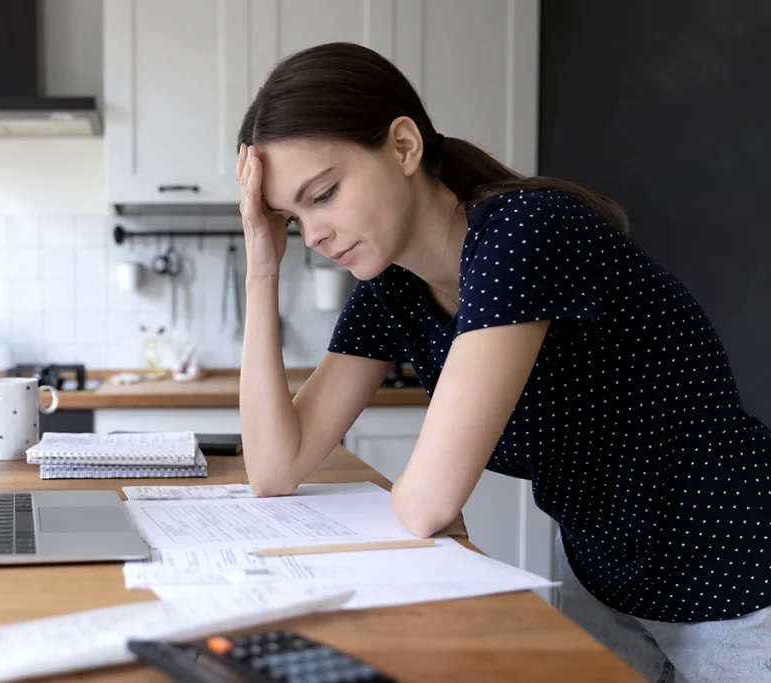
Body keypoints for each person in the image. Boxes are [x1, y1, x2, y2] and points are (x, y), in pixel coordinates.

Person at [234, 41, 771, 683]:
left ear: (404, 147)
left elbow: (429, 503)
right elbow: (273, 469)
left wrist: (423, 498)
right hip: (601, 572)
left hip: (732, 566)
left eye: (322, 194)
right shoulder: (392, 289)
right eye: (290, 218)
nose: (312, 234)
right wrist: (262, 268)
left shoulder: (524, 231)